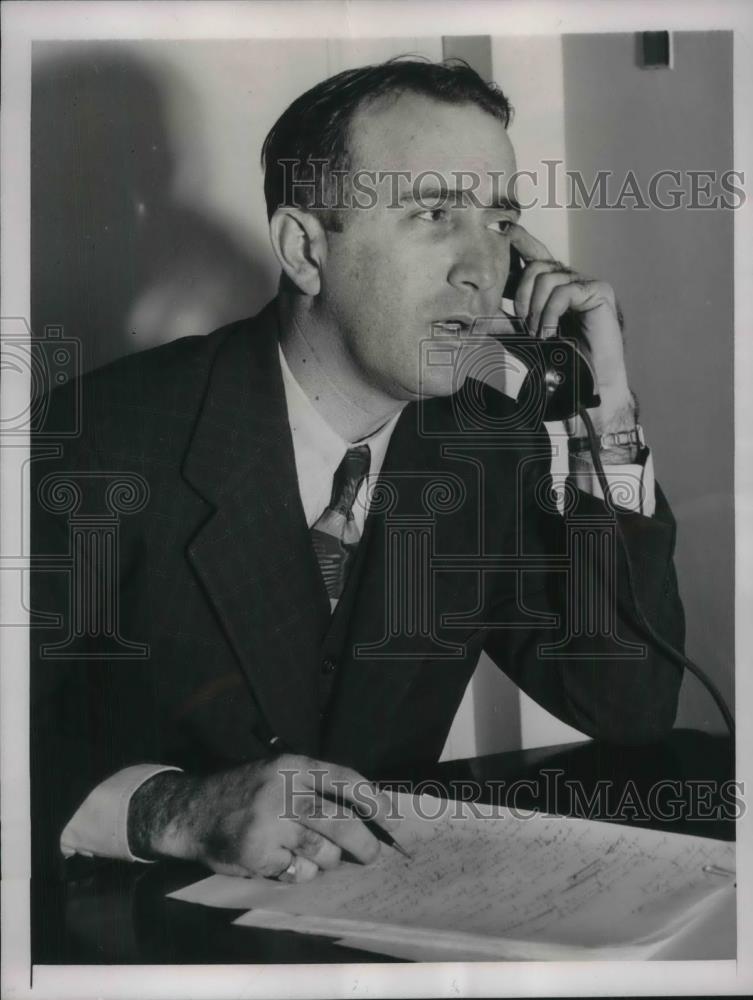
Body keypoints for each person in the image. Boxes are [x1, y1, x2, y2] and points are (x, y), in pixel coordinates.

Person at [30, 59, 684, 886]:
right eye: (435, 212)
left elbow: (625, 706)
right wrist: (176, 811)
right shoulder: (97, 440)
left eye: (498, 221)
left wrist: (605, 424)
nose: (483, 271)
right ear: (306, 249)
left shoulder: (484, 447)